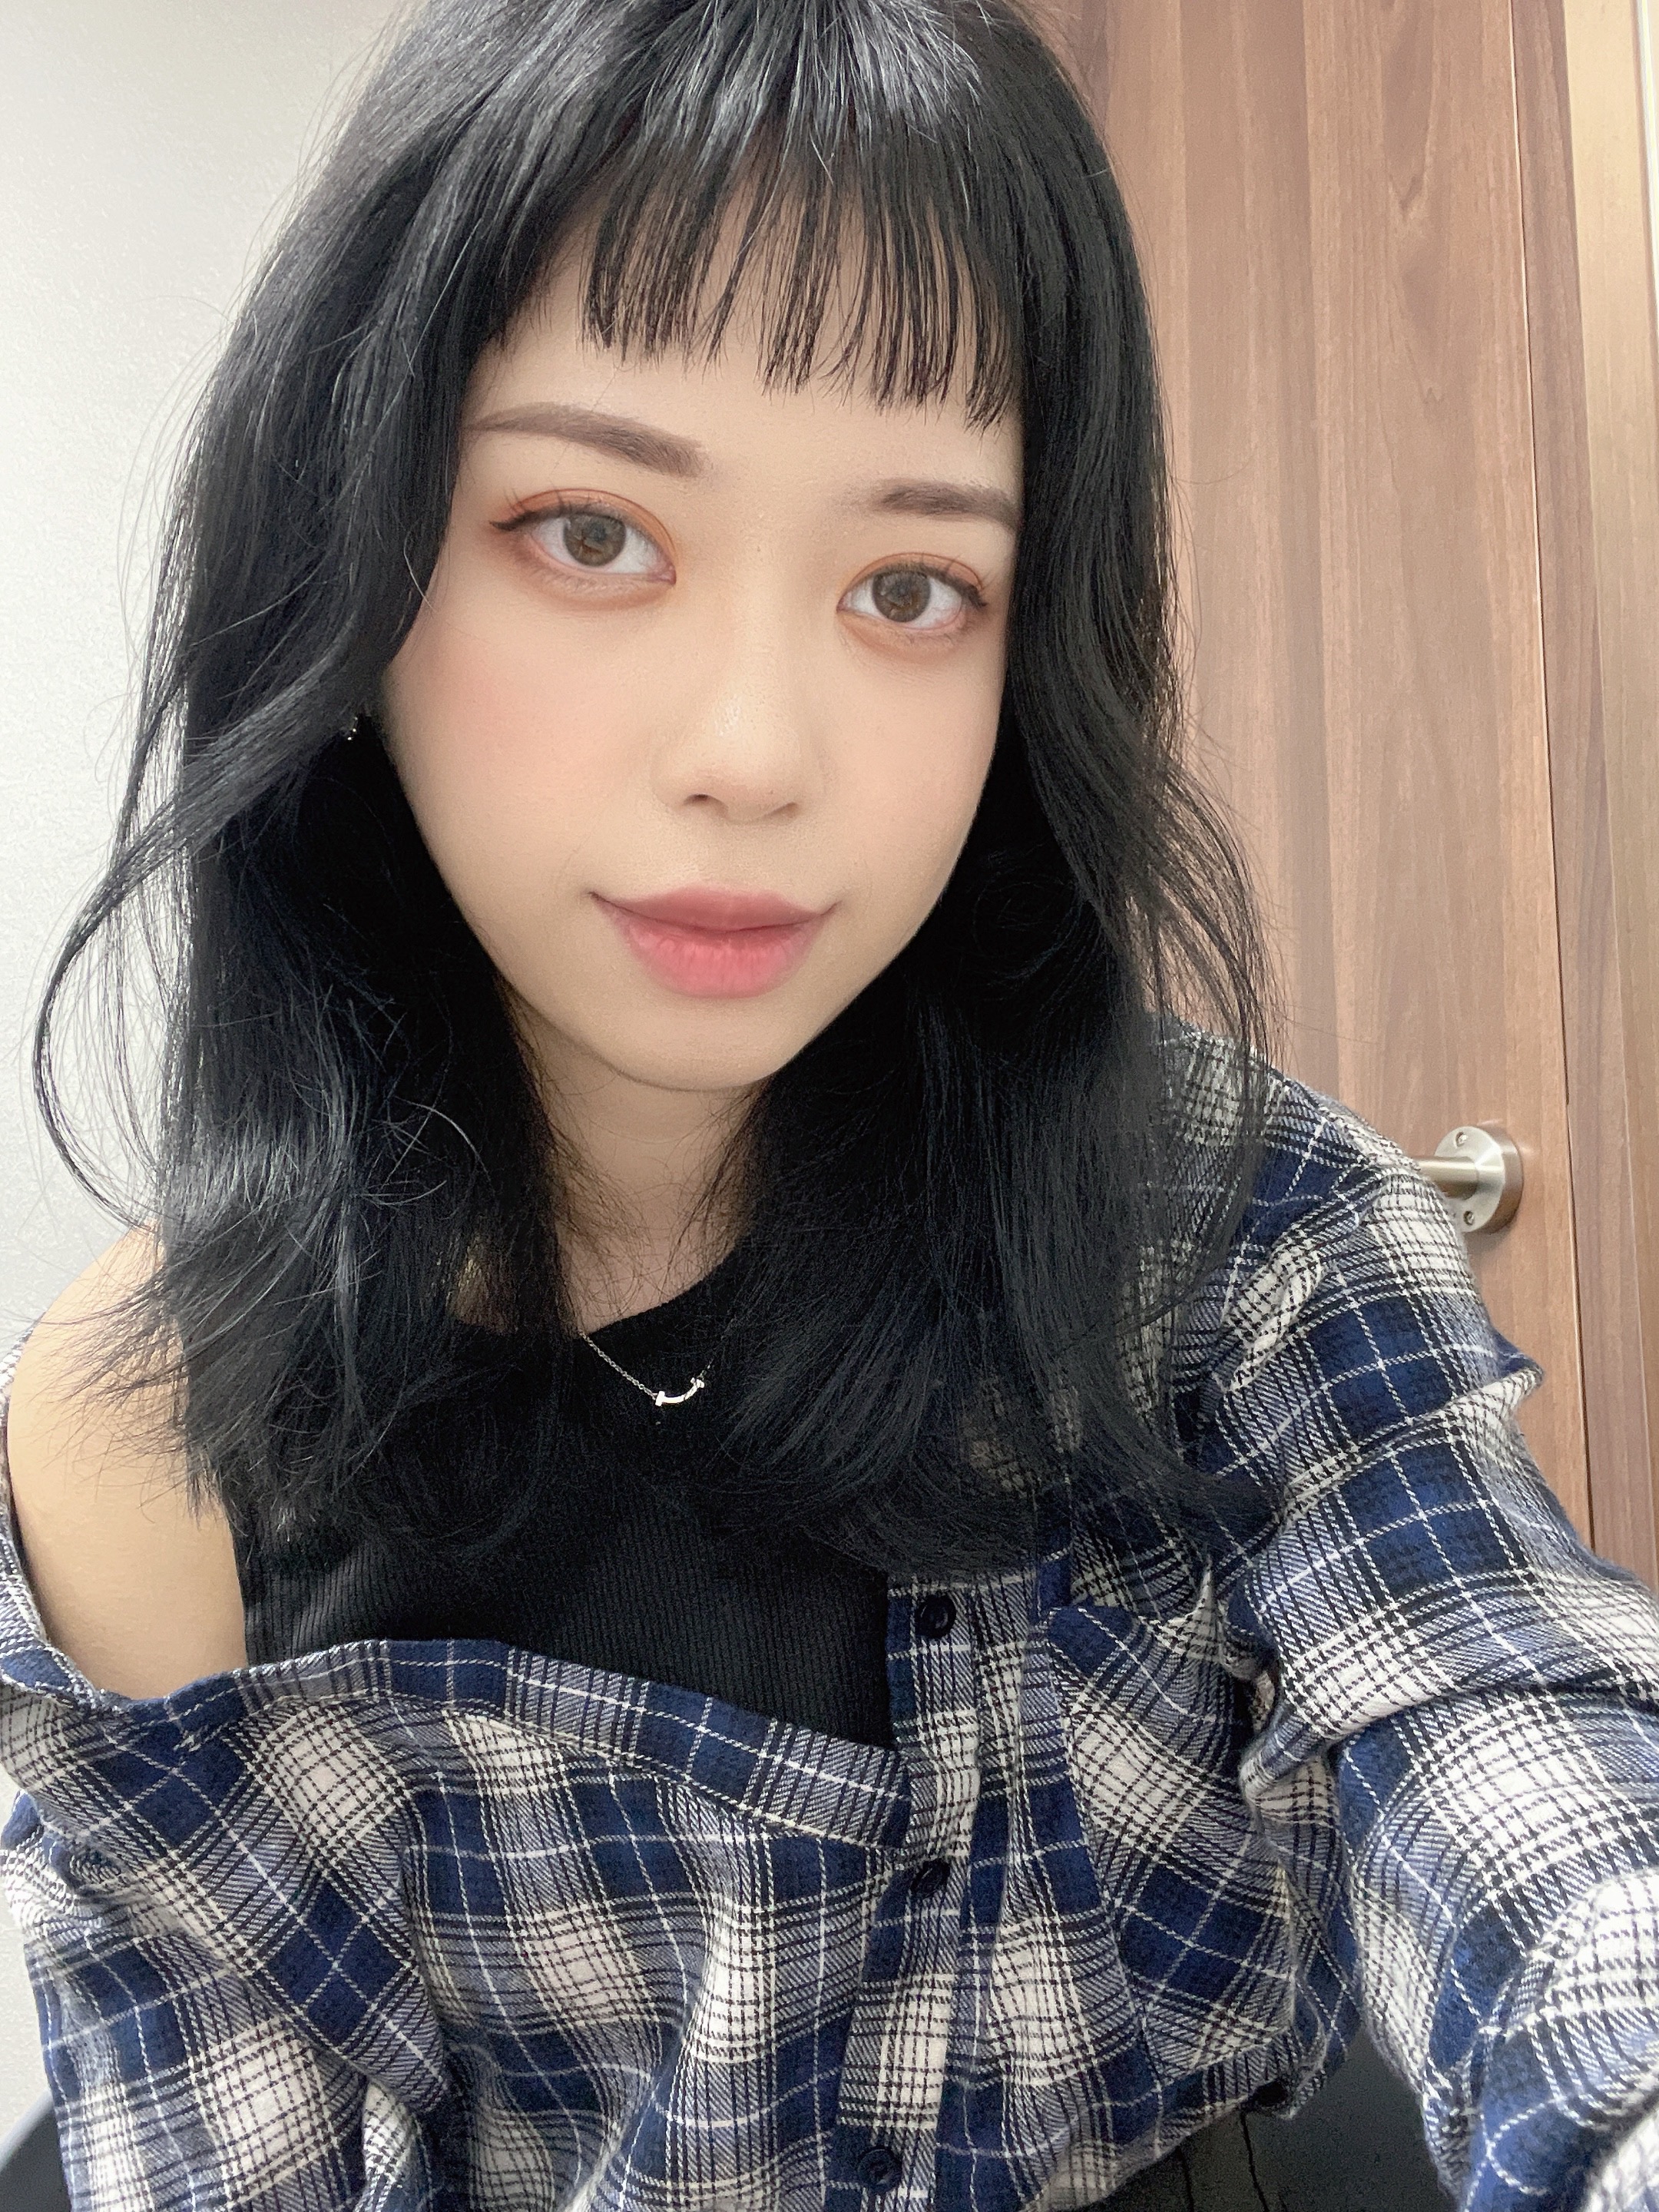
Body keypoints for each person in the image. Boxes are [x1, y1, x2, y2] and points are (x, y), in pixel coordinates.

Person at [1, 1, 1656, 2206]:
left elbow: (1523, 1762)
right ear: (351, 564)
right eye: (590, 532)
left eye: (911, 586)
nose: (757, 751)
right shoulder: (155, 1431)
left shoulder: (1243, 1238)